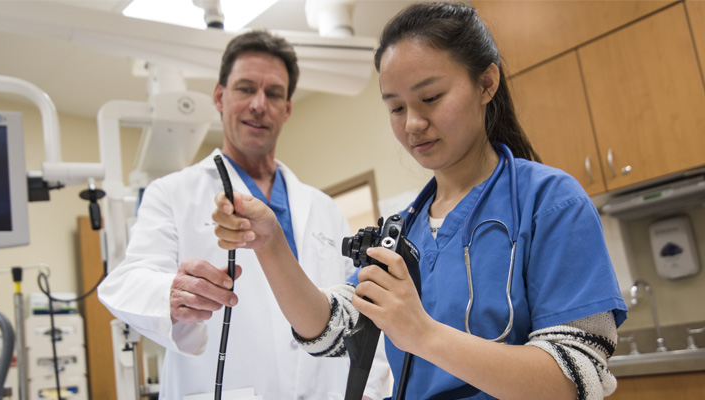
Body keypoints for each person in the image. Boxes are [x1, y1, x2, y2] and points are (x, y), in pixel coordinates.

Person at [211, 3, 629, 400]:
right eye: (395, 108)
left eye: (430, 99)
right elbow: (330, 329)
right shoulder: (403, 230)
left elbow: (576, 378)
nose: (413, 123)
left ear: (486, 83)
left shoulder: (551, 202)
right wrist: (269, 242)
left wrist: (423, 334)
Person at [97, 30, 390, 399]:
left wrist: (373, 389)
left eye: (273, 94)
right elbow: (127, 281)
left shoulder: (323, 207)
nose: (258, 104)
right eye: (245, 88)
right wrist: (171, 292)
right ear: (220, 97)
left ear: (286, 109)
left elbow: (356, 309)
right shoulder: (172, 193)